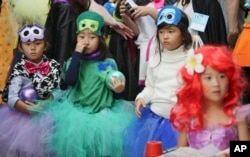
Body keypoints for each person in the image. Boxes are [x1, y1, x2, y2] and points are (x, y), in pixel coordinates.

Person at [42, 11, 135, 157]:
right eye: (82, 37)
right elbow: (70, 81)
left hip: (103, 119)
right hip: (77, 118)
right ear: (76, 39)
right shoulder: (72, 62)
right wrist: (77, 54)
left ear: (101, 39)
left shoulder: (108, 63)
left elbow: (117, 96)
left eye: (92, 37)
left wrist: (119, 89)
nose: (86, 41)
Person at [123, 5, 193, 157]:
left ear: (184, 33)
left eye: (171, 31)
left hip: (181, 124)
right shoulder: (155, 59)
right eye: (161, 32)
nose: (165, 36)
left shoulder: (192, 59)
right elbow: (150, 87)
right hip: (155, 121)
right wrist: (142, 98)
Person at [170, 45, 250, 156]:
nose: (216, 84)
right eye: (208, 78)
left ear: (230, 79)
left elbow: (245, 149)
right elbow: (180, 152)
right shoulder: (189, 115)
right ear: (196, 82)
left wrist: (228, 153)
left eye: (222, 76)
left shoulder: (237, 114)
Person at [0, 23, 61, 156]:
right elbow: (11, 98)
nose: (33, 48)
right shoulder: (19, 69)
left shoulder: (54, 66)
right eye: (27, 44)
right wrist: (29, 109)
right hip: (23, 118)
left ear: (45, 45)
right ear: (21, 48)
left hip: (48, 114)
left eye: (38, 43)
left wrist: (44, 104)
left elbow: (58, 91)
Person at [45, 0, 134, 66]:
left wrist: (113, 23)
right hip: (64, 64)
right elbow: (63, 51)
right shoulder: (65, 7)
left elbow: (91, 4)